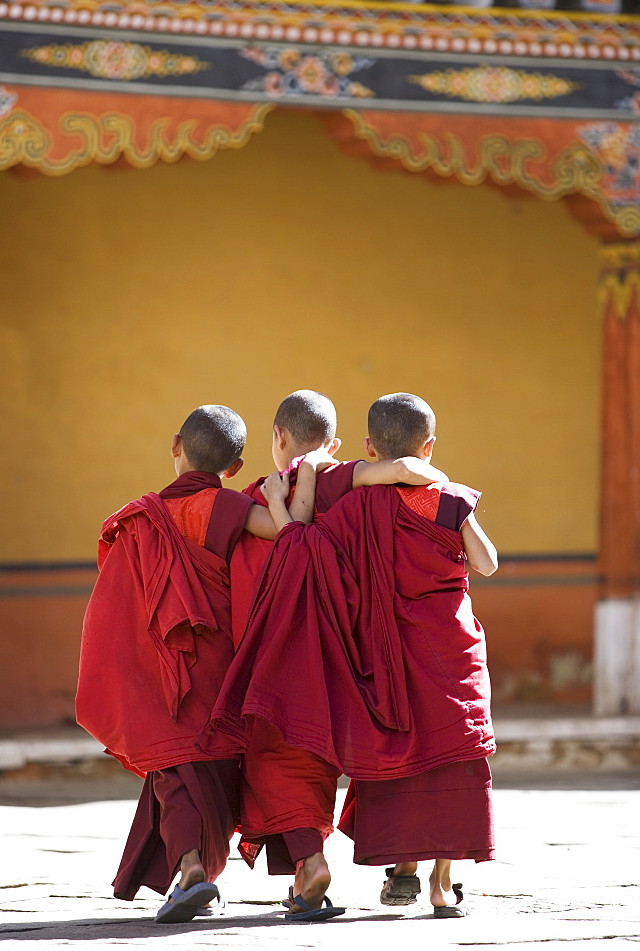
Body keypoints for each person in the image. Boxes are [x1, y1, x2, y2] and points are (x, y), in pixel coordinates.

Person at [212, 392, 497, 919]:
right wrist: (446, 494)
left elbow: (306, 547)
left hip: (372, 651)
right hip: (448, 649)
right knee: (453, 752)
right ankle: (441, 882)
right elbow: (487, 562)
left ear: (368, 446)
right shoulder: (443, 498)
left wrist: (281, 504)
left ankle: (368, 866)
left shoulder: (344, 503)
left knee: (391, 749)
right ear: (430, 446)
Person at [76, 405, 317, 924]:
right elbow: (288, 533)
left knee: (174, 772)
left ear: (175, 445)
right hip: (217, 667)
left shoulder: (139, 518)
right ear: (233, 468)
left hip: (154, 671)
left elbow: (116, 607)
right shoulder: (226, 507)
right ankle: (196, 870)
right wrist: (283, 493)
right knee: (213, 770)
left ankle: (191, 867)